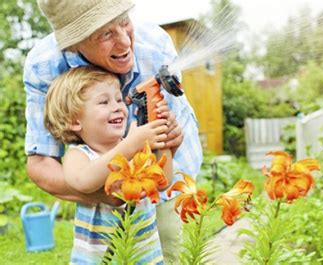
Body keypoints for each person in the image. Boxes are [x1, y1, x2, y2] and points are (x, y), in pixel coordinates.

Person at [24, 0, 203, 263]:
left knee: (170, 247)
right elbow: (44, 164)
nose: (125, 43)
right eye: (106, 33)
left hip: (158, 202)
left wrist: (167, 143)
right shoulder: (45, 66)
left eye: (124, 22)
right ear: (75, 43)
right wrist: (116, 190)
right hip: (99, 219)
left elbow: (162, 179)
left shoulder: (154, 45)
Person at [44, 66, 171, 264]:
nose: (118, 106)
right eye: (104, 102)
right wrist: (131, 144)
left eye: (119, 99)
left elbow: (162, 181)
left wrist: (163, 137)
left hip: (145, 257)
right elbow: (83, 181)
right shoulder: (79, 155)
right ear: (74, 121)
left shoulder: (133, 148)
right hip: (98, 259)